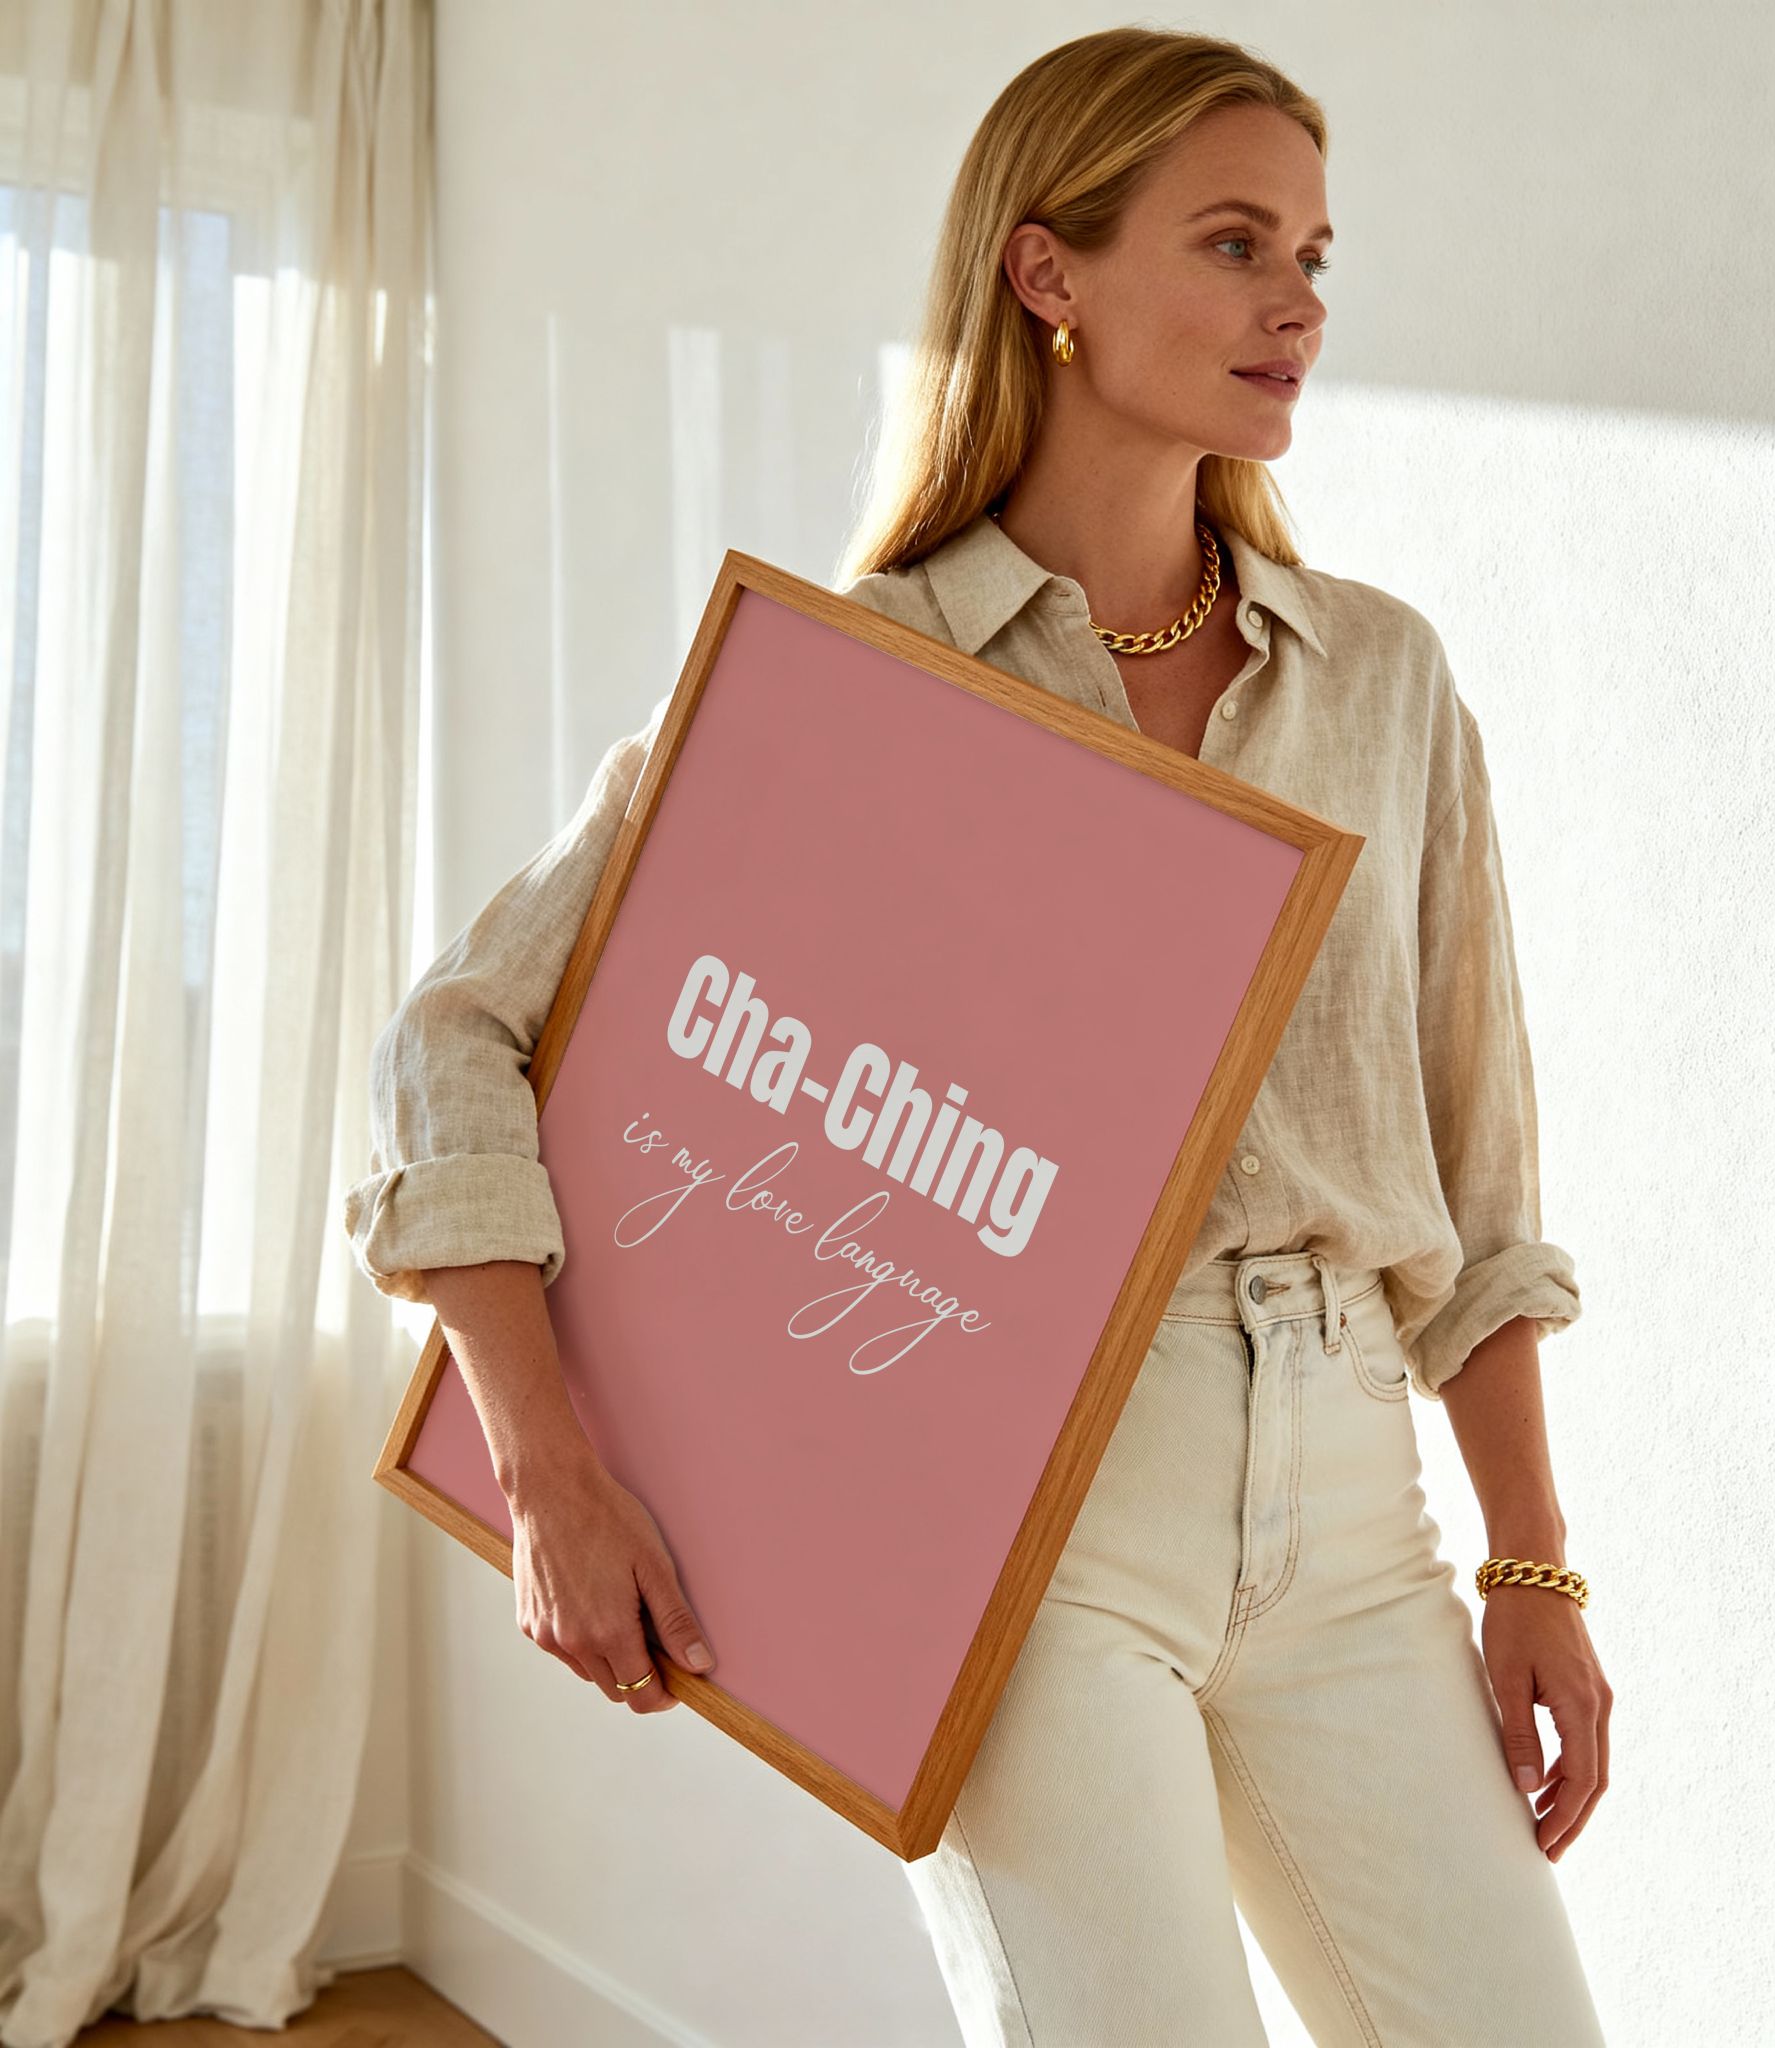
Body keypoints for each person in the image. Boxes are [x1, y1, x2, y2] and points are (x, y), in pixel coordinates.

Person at [344, 26, 1612, 2046]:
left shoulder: (1381, 675)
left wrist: (1531, 1569)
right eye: (1229, 241)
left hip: (1356, 1502)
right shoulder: (859, 678)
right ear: (1048, 277)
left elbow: (1479, 1172)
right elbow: (453, 1041)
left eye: (1312, 251)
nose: (1294, 300)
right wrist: (547, 1463)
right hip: (1024, 1514)